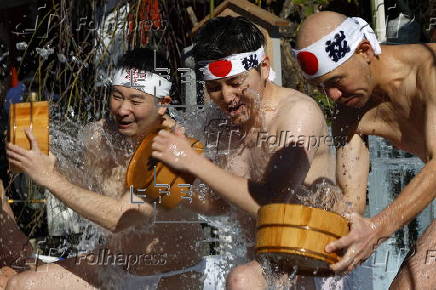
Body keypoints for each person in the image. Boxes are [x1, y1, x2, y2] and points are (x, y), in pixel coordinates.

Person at [150, 16, 341, 289]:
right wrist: (169, 181)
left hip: (314, 266)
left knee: (242, 279)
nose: (227, 98)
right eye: (214, 88)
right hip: (261, 266)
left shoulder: (297, 114)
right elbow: (218, 204)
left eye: (236, 82)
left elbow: (273, 208)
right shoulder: (218, 126)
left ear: (264, 67)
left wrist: (193, 162)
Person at [5, 48, 208, 289]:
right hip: (114, 265)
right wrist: (45, 163)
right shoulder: (98, 136)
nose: (122, 109)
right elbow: (88, 193)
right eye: (117, 96)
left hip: (173, 275)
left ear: (162, 104)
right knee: (21, 285)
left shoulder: (174, 147)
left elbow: (120, 217)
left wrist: (50, 178)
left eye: (136, 100)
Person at [294, 11, 435, 289]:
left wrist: (377, 229)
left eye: (336, 81)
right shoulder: (349, 113)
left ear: (365, 50)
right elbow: (351, 203)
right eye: (321, 87)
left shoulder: (429, 72)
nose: (331, 96)